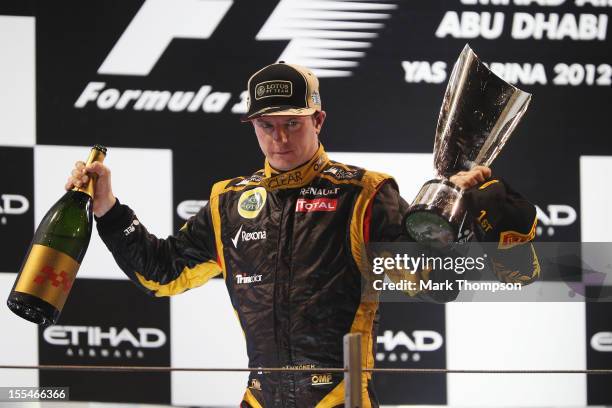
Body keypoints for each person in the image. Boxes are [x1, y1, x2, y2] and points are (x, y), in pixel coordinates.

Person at [66, 62, 539, 407]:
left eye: (292, 123)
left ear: (318, 119)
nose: (279, 138)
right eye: (266, 125)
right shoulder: (227, 200)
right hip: (259, 399)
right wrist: (105, 205)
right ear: (252, 125)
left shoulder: (365, 192)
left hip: (342, 398)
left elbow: (432, 284)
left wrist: (449, 214)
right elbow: (163, 273)